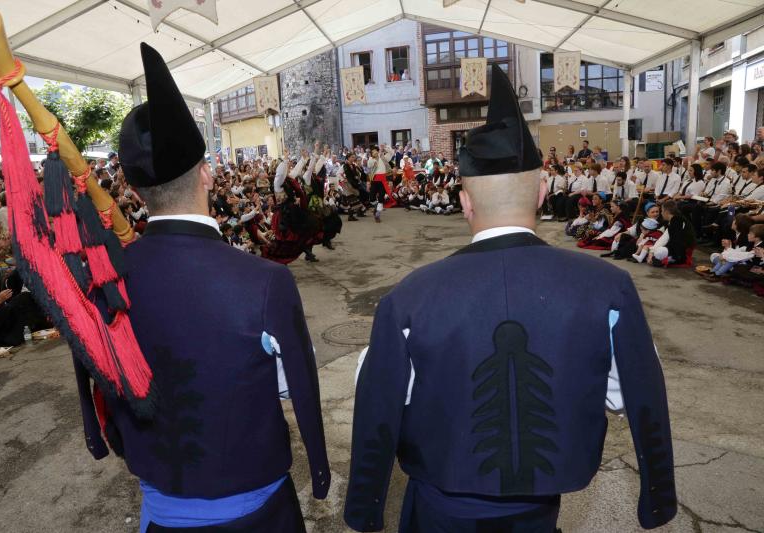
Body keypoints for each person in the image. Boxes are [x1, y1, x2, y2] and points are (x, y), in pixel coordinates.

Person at [345, 64, 676, 533]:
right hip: (539, 512)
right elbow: (636, 391)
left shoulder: (410, 297)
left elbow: (378, 399)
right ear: (543, 193)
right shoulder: (606, 287)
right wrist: (657, 493)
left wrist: (365, 505)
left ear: (463, 202)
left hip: (439, 508)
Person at [81, 43, 330, 533]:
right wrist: (318, 467)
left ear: (133, 192)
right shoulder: (265, 281)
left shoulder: (106, 282)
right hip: (258, 512)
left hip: (160, 502)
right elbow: (293, 386)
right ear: (207, 172)